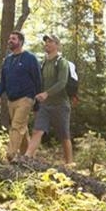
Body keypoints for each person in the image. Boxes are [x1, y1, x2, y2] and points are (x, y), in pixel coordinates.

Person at [0, 30, 41, 161]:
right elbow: (3, 80)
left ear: (20, 42)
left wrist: (37, 101)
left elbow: (38, 79)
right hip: (11, 100)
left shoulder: (30, 58)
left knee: (16, 126)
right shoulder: (7, 61)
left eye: (13, 39)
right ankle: (29, 158)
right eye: (9, 38)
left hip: (26, 98)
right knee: (21, 128)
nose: (10, 41)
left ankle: (10, 155)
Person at [26, 34, 73, 164]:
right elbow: (39, 83)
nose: (46, 43)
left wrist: (47, 93)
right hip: (45, 106)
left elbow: (62, 82)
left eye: (50, 41)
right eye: (46, 41)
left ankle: (69, 164)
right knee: (37, 131)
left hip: (61, 105)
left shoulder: (61, 62)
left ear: (57, 45)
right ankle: (27, 158)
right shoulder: (43, 64)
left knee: (64, 136)